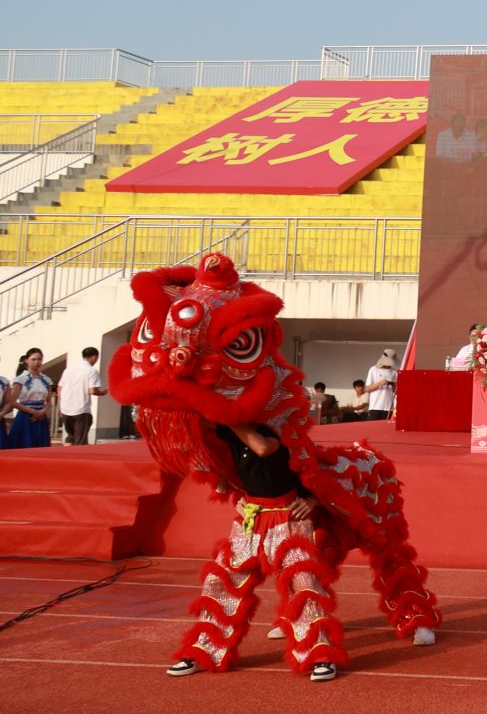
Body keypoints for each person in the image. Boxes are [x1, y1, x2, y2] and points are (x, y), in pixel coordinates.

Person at [110, 254, 439, 684]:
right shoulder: (221, 427)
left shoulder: (260, 421)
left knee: (310, 578)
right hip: (251, 514)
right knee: (224, 581)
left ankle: (340, 644)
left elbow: (269, 448)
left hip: (287, 513)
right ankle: (204, 649)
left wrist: (310, 497)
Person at [57, 345, 106, 445]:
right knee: (80, 441)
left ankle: (66, 453)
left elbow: (60, 388)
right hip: (81, 409)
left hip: (66, 408)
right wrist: (103, 392)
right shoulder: (91, 371)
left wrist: (60, 405)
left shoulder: (69, 369)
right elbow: (92, 390)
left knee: (70, 437)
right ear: (94, 357)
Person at [7, 348, 54, 449]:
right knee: (23, 446)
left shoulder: (47, 379)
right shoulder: (20, 379)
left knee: (40, 449)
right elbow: (12, 401)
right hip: (25, 416)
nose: (37, 362)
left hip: (41, 417)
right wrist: (33, 411)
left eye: (39, 359)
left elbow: (49, 401)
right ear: (26, 360)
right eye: (33, 359)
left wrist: (42, 412)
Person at [364, 350, 398, 418]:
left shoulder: (394, 371)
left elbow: (396, 391)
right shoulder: (373, 370)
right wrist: (379, 383)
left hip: (389, 407)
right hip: (375, 406)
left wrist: (394, 384)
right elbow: (366, 389)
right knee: (373, 424)